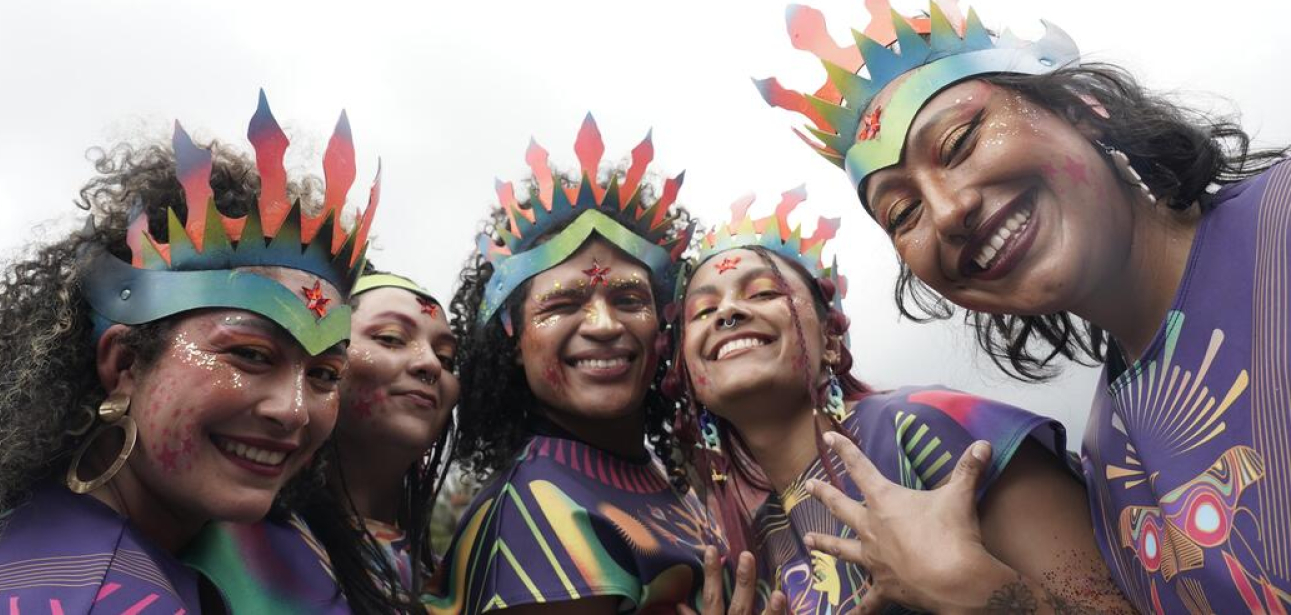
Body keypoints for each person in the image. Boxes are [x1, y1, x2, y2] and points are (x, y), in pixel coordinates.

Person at [758, 0, 1291, 611]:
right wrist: (991, 596)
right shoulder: (1111, 460)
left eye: (959, 142)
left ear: (1082, 109)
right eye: (903, 212)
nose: (948, 212)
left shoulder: (1278, 224)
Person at [0, 91, 379, 612]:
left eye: (325, 374)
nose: (293, 410)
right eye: (251, 354)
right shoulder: (73, 594)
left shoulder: (281, 550)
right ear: (125, 364)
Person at [669, 188, 1129, 613]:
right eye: (703, 311)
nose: (727, 312)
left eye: (764, 293)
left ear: (831, 340)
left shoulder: (928, 423)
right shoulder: (751, 547)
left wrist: (976, 591)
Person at [424, 115, 726, 615]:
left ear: (663, 324)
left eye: (629, 299)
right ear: (513, 340)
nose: (604, 325)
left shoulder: (649, 470)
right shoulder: (533, 512)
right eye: (563, 304)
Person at [295, 269, 459, 613]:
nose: (431, 364)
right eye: (391, 338)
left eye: (446, 358)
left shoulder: (458, 576)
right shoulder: (248, 544)